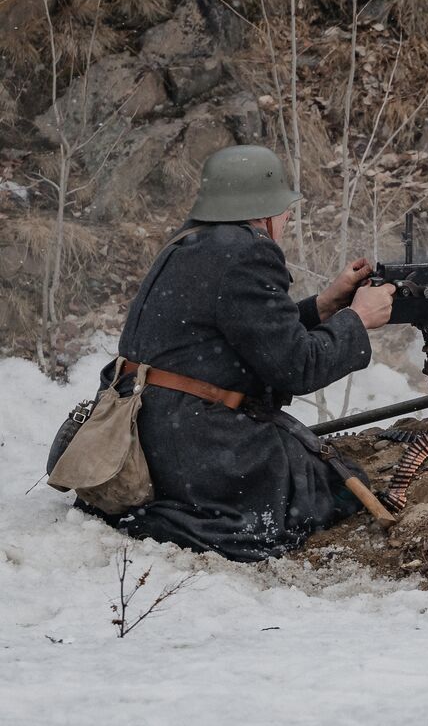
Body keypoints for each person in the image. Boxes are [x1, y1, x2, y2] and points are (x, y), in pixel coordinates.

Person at [87, 145, 396, 561]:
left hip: (150, 430)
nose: (287, 219)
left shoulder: (193, 242)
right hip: (197, 442)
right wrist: (357, 318)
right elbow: (296, 367)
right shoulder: (247, 252)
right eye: (285, 211)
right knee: (328, 492)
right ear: (265, 211)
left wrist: (325, 305)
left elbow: (250, 335)